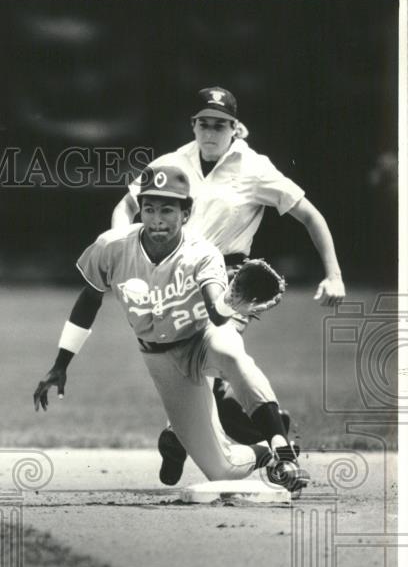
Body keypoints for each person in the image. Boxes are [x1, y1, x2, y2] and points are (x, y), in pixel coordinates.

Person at [110, 86, 344, 484]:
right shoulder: (172, 162)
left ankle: (192, 436)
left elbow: (310, 215)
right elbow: (128, 205)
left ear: (235, 128)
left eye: (220, 124)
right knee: (198, 368)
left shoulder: (255, 168)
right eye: (204, 123)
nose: (211, 131)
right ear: (194, 125)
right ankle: (224, 432)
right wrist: (121, 245)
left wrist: (334, 274)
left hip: (230, 281)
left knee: (222, 351)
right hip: (174, 278)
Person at [33, 164, 308, 493]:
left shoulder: (202, 254)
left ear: (186, 212)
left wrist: (228, 303)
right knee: (222, 469)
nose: (157, 219)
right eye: (149, 209)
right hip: (161, 360)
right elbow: (89, 299)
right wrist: (60, 364)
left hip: (202, 338)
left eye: (167, 209)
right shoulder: (112, 247)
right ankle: (265, 453)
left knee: (230, 350)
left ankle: (279, 443)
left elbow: (217, 317)